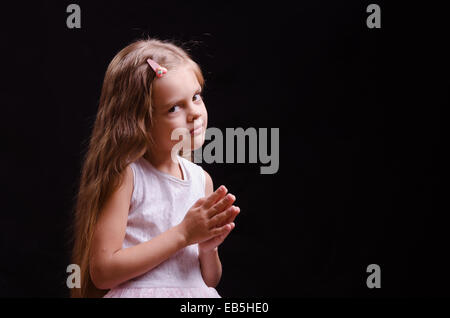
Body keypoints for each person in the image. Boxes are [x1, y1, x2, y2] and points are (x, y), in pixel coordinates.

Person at [70, 38, 240, 298]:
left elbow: (209, 280)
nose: (195, 113)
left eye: (195, 97)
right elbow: (103, 272)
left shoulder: (200, 180)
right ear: (140, 122)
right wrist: (183, 234)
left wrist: (208, 248)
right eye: (174, 108)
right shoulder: (129, 176)